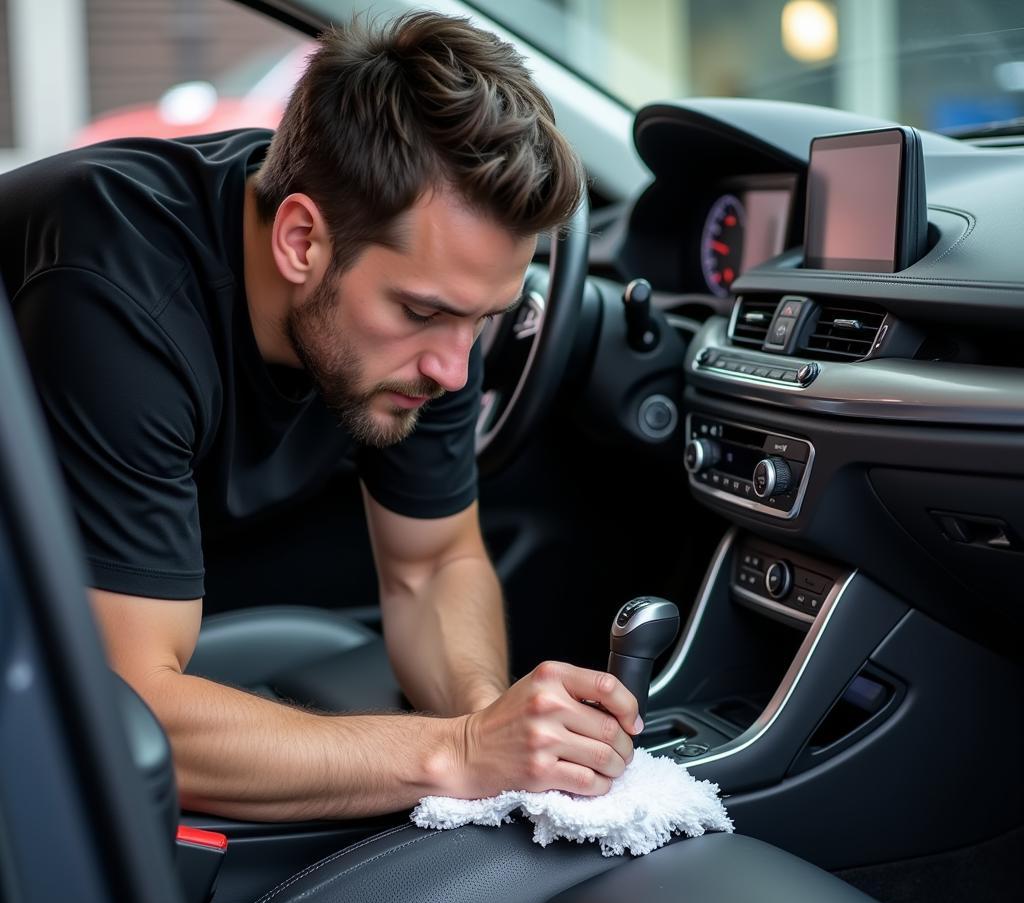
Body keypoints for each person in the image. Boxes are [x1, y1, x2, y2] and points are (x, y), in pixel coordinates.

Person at [0, 11, 641, 821]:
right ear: (301, 240)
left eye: (483, 320)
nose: (453, 368)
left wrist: (495, 731)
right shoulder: (114, 299)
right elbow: (127, 712)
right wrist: (460, 754)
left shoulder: (437, 310)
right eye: (421, 312)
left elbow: (433, 563)